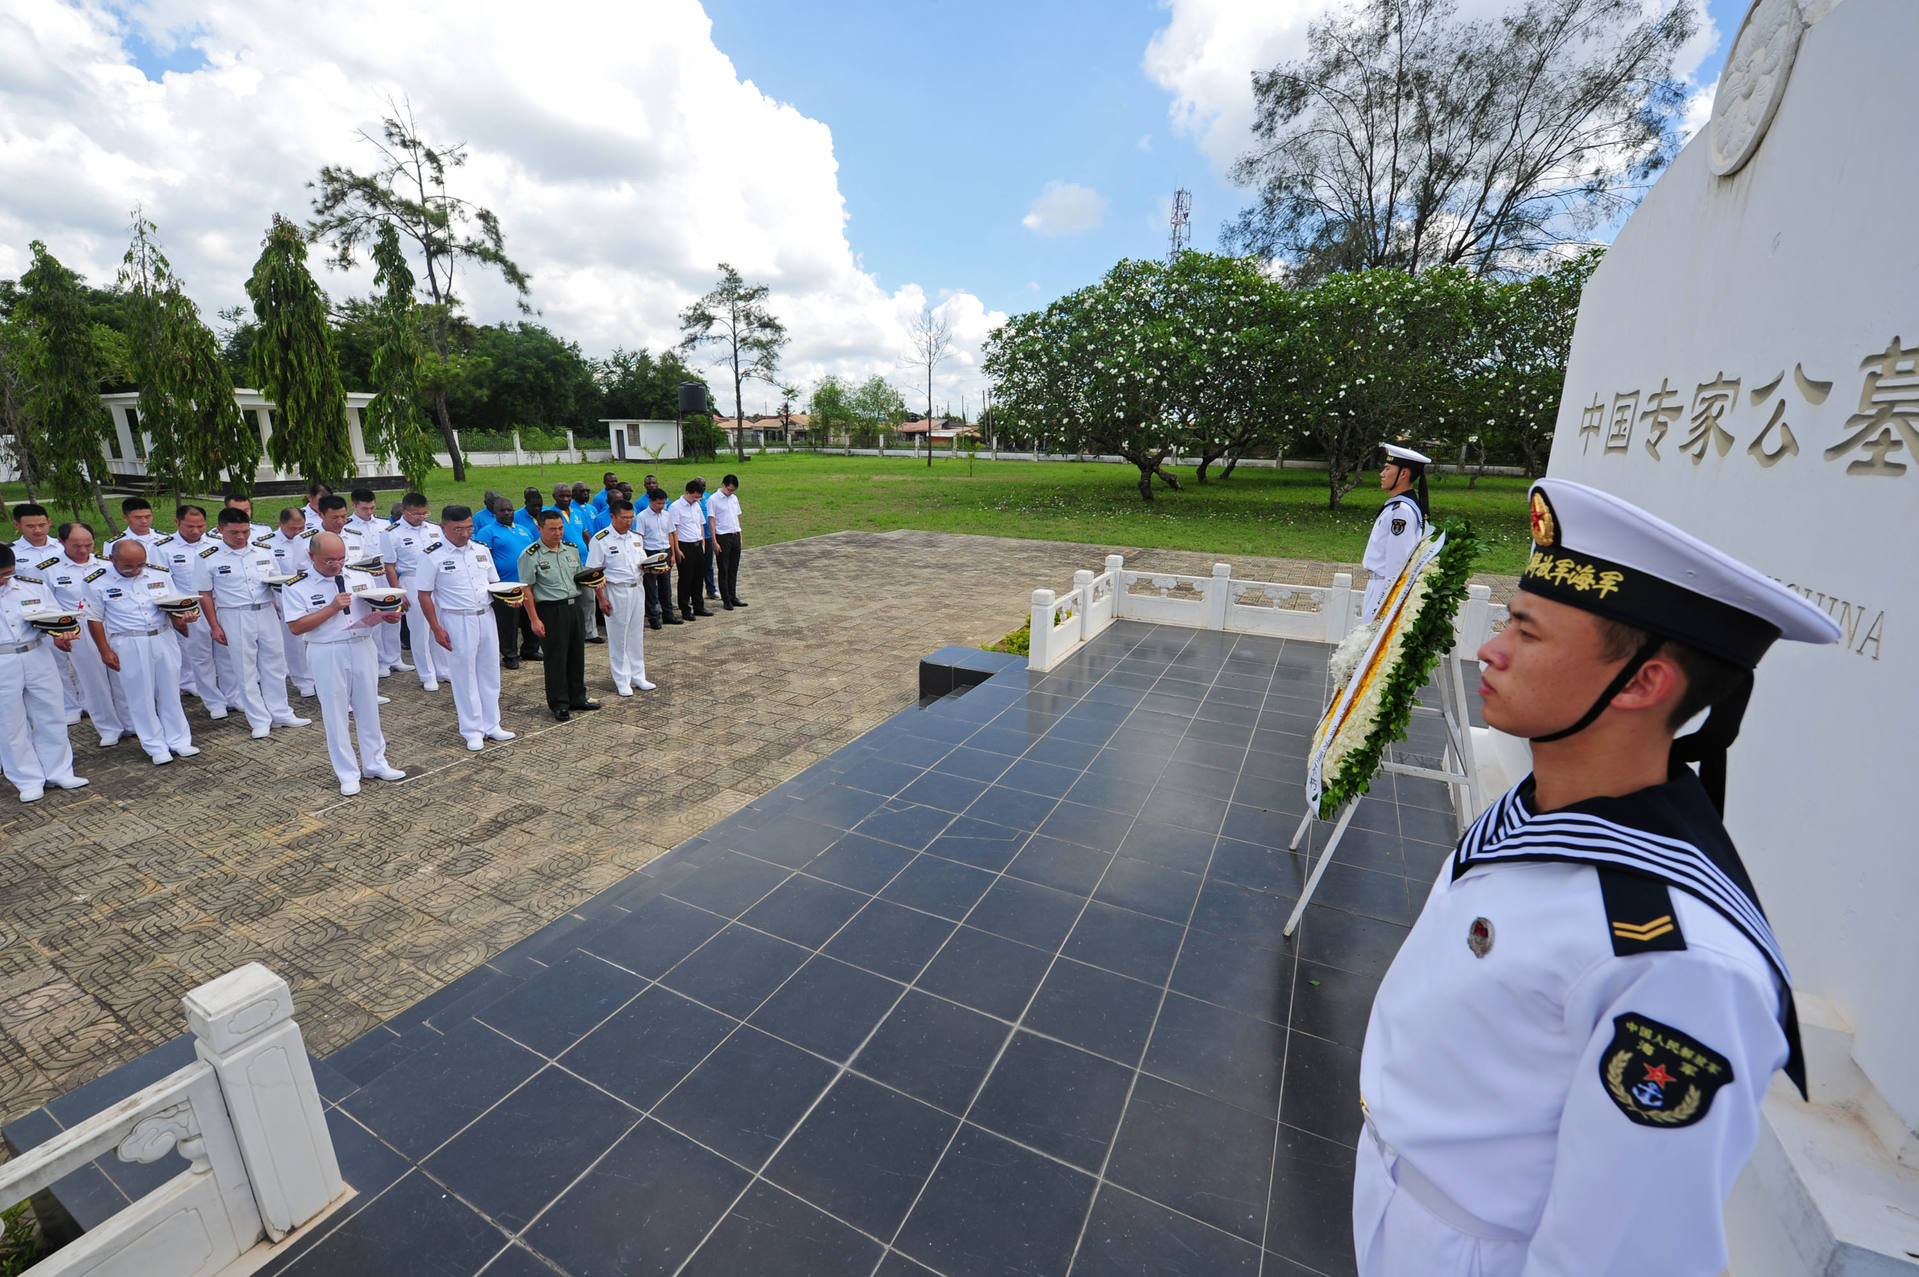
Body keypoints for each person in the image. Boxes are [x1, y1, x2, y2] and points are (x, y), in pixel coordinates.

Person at [1352, 478, 1843, 1277]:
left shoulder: (1679, 963)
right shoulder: (1541, 807)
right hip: (1400, 1210)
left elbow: (1620, 1255)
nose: (1491, 649)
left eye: (1528, 632)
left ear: (1644, 682)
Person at [281, 532, 405, 797]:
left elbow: (371, 608)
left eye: (341, 559)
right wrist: (331, 608)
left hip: (362, 645)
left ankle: (375, 762)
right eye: (329, 561)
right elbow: (295, 627)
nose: (336, 565)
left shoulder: (360, 576)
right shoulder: (296, 586)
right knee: (336, 714)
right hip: (327, 650)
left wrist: (386, 616)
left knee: (368, 707)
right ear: (312, 557)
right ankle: (347, 773)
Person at [195, 509, 308, 741]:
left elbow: (276, 582)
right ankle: (258, 719)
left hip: (266, 611)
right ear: (220, 530)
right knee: (245, 670)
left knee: (275, 664)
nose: (241, 537)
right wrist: (214, 626)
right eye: (234, 532)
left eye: (245, 531)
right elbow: (205, 594)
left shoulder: (263, 551)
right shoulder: (208, 557)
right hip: (235, 614)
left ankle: (280, 712)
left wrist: (279, 607)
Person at [84, 540, 198, 766]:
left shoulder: (159, 575)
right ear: (112, 560)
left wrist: (183, 618)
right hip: (128, 640)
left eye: (140, 565)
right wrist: (104, 650)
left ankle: (179, 739)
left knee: (169, 691)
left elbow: (173, 605)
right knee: (140, 696)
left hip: (162, 636)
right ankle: (154, 745)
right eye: (128, 566)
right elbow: (94, 618)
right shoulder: (96, 582)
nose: (135, 571)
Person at [414, 504, 519, 751]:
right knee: (464, 676)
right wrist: (436, 628)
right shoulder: (432, 555)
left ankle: (492, 724)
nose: (465, 533)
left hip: (485, 615)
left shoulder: (481, 550)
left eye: (469, 527)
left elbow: (495, 583)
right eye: (458, 528)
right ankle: (472, 729)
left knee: (490, 671)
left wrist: (511, 598)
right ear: (444, 528)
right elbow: (424, 595)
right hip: (456, 619)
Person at [0, 543, 88, 802]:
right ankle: (27, 779)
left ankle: (59, 770)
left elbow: (56, 618)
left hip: (36, 654)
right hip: (2, 660)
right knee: (10, 722)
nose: (5, 580)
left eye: (8, 573)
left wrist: (63, 633)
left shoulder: (32, 587)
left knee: (51, 713)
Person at [48, 522, 128, 747]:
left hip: (110, 624)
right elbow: (48, 606)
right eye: (76, 546)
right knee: (93, 680)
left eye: (88, 545)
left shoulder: (106, 564)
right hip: (77, 629)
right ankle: (108, 727)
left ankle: (130, 720)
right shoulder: (49, 569)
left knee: (122, 675)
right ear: (62, 542)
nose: (83, 551)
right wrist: (58, 632)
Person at [518, 512, 599, 722]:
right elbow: (527, 589)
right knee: (556, 658)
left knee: (576, 654)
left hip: (574, 607)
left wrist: (596, 580)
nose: (558, 533)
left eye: (560, 528)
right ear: (540, 529)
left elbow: (579, 577)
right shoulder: (531, 555)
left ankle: (577, 697)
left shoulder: (570, 550)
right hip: (551, 610)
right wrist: (534, 619)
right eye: (552, 529)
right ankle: (559, 703)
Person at [8, 502, 83, 725]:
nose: (38, 530)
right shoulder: (12, 552)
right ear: (17, 525)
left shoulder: (62, 546)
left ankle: (89, 701)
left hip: (69, 610)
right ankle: (69, 705)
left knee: (82, 659)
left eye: (42, 524)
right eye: (30, 526)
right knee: (56, 663)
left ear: (49, 522)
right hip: (38, 616)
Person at [156, 504, 228, 719]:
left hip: (219, 607)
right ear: (177, 523)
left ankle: (234, 696)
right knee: (200, 657)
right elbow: (163, 585)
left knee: (227, 655)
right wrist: (178, 612)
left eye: (200, 526)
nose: (196, 531)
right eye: (190, 526)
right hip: (190, 611)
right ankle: (214, 702)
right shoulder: (163, 549)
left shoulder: (217, 544)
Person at [585, 498, 656, 696]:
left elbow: (641, 561)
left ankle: (638, 675)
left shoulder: (635, 537)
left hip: (636, 588)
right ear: (613, 517)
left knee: (635, 635)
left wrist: (653, 566)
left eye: (631, 517)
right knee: (619, 638)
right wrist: (601, 598)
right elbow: (594, 572)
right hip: (615, 590)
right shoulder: (601, 540)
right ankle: (622, 680)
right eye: (624, 518)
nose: (628, 522)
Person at [384, 493, 450, 691]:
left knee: (439, 625)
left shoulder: (435, 529)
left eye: (424, 513)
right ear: (404, 511)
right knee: (420, 630)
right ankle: (427, 674)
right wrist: (398, 593)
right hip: (411, 579)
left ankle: (443, 669)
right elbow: (389, 566)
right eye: (416, 514)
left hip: (436, 581)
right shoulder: (391, 533)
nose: (421, 517)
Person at [1361, 443, 1431, 621]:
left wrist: (1386, 608)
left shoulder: (1402, 512)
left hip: (1383, 589)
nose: (1382, 474)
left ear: (1403, 474)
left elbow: (1397, 564)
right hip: (1379, 585)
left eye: (1387, 468)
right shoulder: (1398, 507)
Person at [347, 487, 407, 677]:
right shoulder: (348, 527)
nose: (369, 512)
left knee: (392, 615)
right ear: (354, 505)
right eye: (364, 508)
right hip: (364, 578)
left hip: (385, 575)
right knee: (374, 620)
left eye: (372, 507)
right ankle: (380, 661)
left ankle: (394, 658)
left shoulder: (383, 525)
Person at [474, 497, 539, 668]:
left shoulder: (523, 529)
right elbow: (484, 559)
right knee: (508, 623)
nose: (507, 513)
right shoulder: (488, 532)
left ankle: (530, 649)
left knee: (529, 617)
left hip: (526, 583)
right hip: (505, 586)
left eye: (510, 510)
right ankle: (510, 655)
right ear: (494, 513)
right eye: (502, 510)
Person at [268, 508, 319, 699]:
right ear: (281, 524)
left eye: (301, 527)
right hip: (283, 594)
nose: (298, 532)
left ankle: (316, 675)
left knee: (315, 636)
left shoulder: (312, 538)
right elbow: (267, 576)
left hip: (312, 592)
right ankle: (303, 681)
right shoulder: (267, 544)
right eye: (292, 528)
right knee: (294, 641)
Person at [551, 482, 599, 643]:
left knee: (589, 597)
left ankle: (590, 632)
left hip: (583, 560)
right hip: (563, 562)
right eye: (562, 496)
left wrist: (593, 550)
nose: (565, 499)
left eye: (568, 496)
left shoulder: (577, 512)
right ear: (554, 496)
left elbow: (585, 535)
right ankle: (569, 633)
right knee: (568, 599)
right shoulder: (550, 514)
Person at [668, 479, 714, 622]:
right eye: (694, 497)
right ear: (687, 492)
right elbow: (673, 530)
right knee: (686, 579)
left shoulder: (697, 505)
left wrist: (703, 543)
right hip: (684, 545)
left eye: (698, 498)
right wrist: (676, 550)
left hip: (698, 544)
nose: (696, 500)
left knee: (698, 577)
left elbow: (701, 524)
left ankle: (699, 606)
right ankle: (685, 609)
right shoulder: (676, 507)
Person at [635, 486, 678, 628]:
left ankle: (668, 614)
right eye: (658, 503)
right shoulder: (642, 517)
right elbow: (640, 538)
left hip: (665, 551)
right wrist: (642, 558)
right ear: (651, 501)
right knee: (651, 586)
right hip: (650, 553)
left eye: (663, 503)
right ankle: (653, 617)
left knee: (666, 585)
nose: (661, 506)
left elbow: (670, 534)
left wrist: (672, 554)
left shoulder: (666, 514)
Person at [708, 473, 747, 609]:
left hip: (734, 534)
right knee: (723, 568)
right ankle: (726, 599)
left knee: (733, 568)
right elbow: (711, 521)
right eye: (729, 489)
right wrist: (714, 541)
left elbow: (736, 517)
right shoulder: (713, 499)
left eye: (733, 490)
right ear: (723, 485)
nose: (730, 492)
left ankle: (733, 595)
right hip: (722, 536)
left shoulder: (734, 498)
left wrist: (740, 535)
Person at [696, 477, 722, 601]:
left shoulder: (709, 498)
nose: (702, 488)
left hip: (708, 536)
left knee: (709, 565)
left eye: (704, 486)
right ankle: (694, 593)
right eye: (700, 486)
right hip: (696, 539)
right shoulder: (692, 499)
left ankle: (711, 590)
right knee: (696, 567)